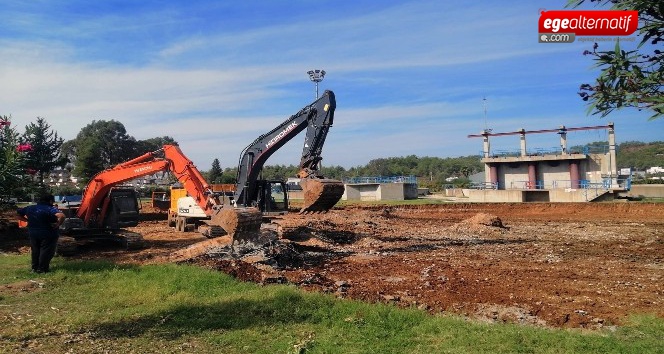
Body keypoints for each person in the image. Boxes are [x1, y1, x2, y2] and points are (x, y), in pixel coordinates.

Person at [17, 194, 65, 273]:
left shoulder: (30, 208)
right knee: (46, 251)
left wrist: (27, 220)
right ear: (50, 201)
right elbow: (62, 216)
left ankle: (34, 268)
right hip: (48, 233)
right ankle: (42, 269)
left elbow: (18, 215)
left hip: (33, 232)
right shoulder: (50, 208)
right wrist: (58, 224)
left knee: (35, 250)